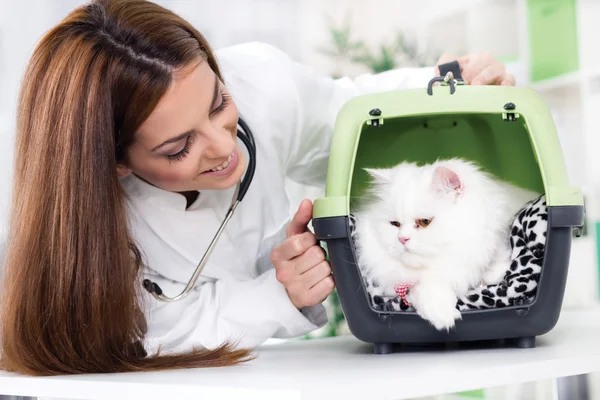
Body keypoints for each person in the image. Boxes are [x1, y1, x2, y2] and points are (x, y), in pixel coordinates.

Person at [0, 0, 515, 375]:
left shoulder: (262, 83)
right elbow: (151, 336)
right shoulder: (95, 232)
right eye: (179, 148)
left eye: (219, 104)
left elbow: (347, 116)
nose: (224, 149)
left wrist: (445, 82)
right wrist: (276, 294)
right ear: (115, 163)